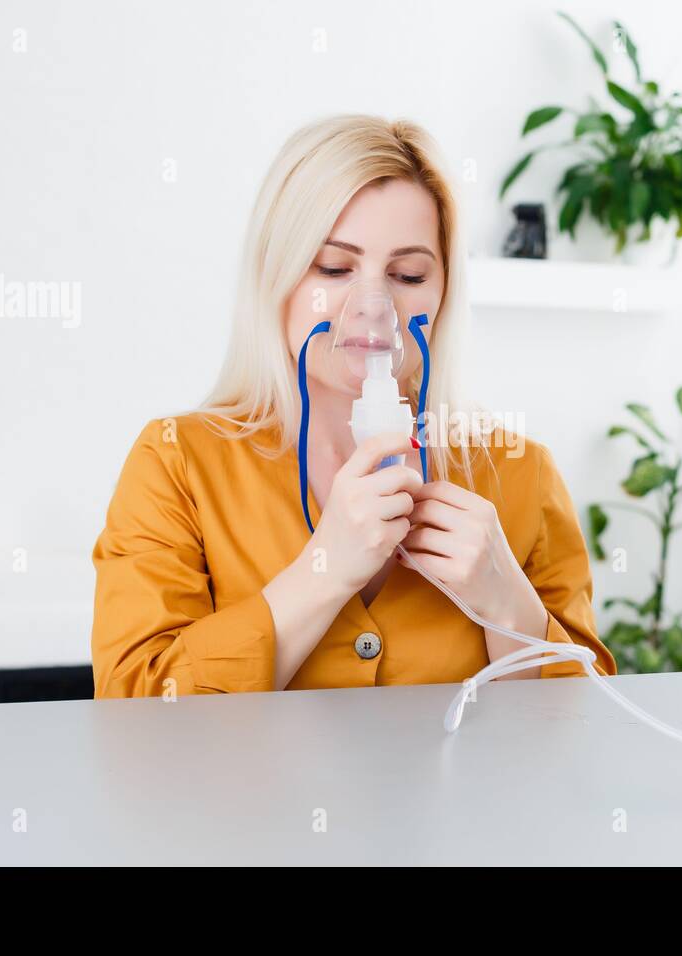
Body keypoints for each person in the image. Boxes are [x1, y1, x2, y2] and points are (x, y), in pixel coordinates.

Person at [91, 115, 615, 698]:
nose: (373, 307)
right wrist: (325, 570)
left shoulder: (517, 473)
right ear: (277, 274)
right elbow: (134, 714)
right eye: (334, 268)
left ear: (443, 292)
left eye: (408, 274)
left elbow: (583, 732)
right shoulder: (177, 465)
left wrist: (509, 608)